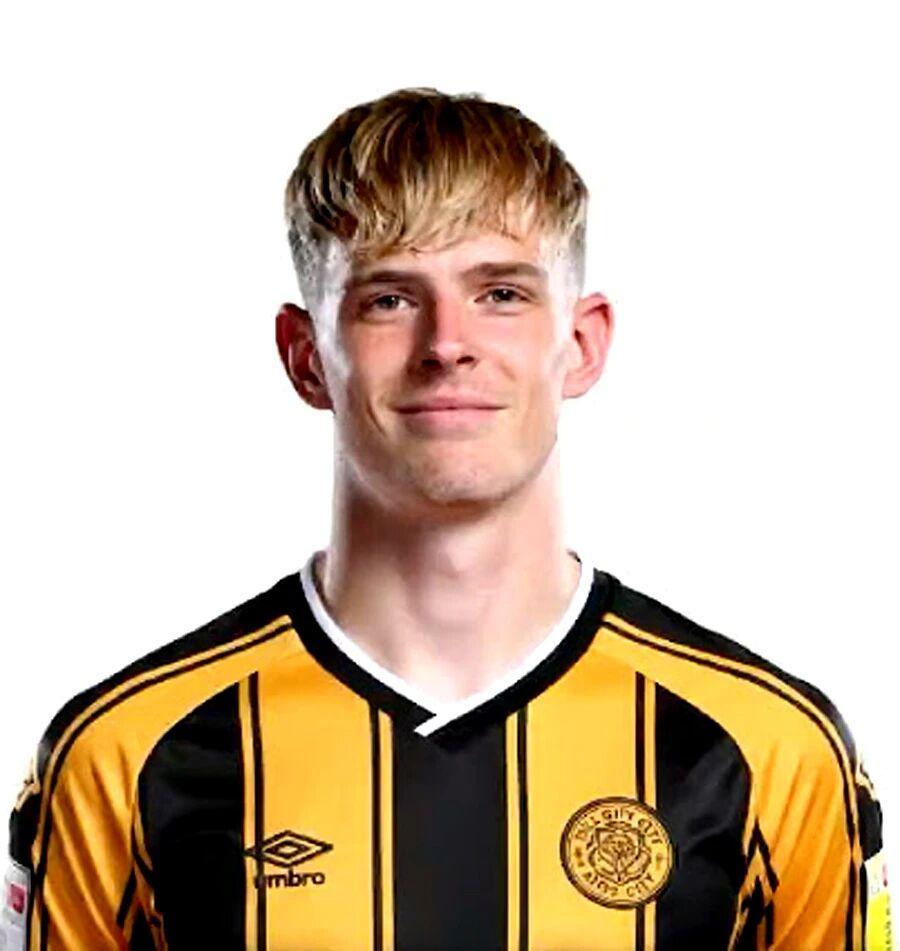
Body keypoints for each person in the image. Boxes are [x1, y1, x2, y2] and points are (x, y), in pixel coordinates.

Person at [2, 86, 890, 951]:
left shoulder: (772, 750)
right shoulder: (123, 755)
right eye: (389, 298)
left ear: (582, 343)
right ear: (306, 357)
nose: (447, 343)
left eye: (501, 293)